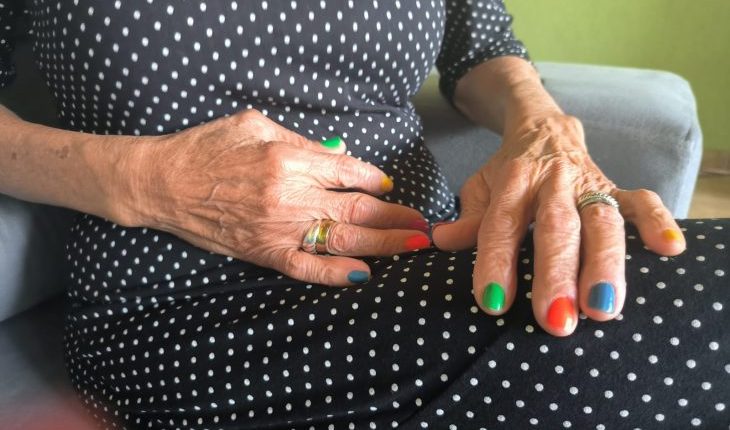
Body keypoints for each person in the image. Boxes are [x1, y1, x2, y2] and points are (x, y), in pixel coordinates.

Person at [0, 1, 727, 428]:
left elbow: (482, 47)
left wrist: (544, 127)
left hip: (430, 253)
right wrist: (145, 180)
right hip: (188, 303)